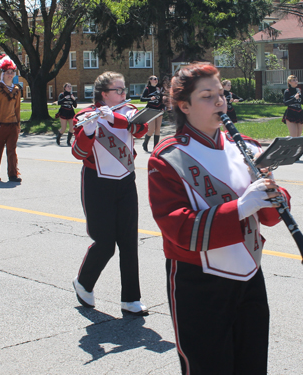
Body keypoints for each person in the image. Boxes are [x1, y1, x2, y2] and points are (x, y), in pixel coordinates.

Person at [147, 62, 291, 375]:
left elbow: (269, 218)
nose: (220, 101)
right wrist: (242, 206)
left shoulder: (248, 147)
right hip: (199, 282)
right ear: (184, 106)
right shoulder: (167, 157)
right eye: (207, 96)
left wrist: (272, 195)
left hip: (250, 276)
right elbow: (179, 228)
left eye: (220, 92)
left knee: (252, 367)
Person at [71, 71, 149, 316]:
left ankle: (131, 298)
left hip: (126, 181)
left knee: (128, 242)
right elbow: (78, 154)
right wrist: (90, 130)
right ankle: (83, 282)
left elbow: (140, 130)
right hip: (97, 182)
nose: (124, 94)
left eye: (124, 89)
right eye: (119, 90)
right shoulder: (84, 116)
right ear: (104, 94)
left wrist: (114, 117)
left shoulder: (129, 111)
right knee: (105, 243)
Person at [0, 54, 22, 182]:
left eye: (12, 73)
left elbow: (17, 109)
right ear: (3, 74)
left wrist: (18, 125)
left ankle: (13, 174)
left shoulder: (17, 90)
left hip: (12, 124)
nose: (10, 75)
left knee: (12, 151)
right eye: (8, 72)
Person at [140, 75, 165, 152]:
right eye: (154, 79)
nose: (156, 80)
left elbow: (161, 99)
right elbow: (142, 99)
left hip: (159, 110)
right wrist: (150, 98)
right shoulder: (147, 89)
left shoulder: (159, 89)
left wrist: (163, 108)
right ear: (150, 80)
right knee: (151, 129)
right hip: (151, 110)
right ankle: (145, 143)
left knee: (158, 129)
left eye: (157, 79)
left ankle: (155, 148)